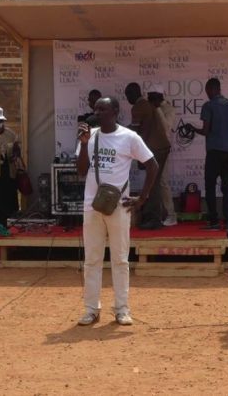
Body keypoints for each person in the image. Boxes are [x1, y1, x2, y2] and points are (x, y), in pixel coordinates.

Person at [75, 97, 158, 326]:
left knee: (120, 259)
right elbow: (81, 171)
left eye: (103, 109)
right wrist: (83, 144)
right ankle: (91, 309)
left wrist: (142, 198)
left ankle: (121, 309)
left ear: (115, 112)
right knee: (92, 259)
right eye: (95, 109)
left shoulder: (128, 137)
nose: (97, 112)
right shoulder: (89, 136)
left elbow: (152, 165)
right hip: (92, 206)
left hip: (119, 206)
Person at [188, 77, 228, 230]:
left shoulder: (209, 106)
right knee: (226, 186)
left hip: (214, 151)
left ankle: (213, 221)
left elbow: (206, 131)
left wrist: (193, 129)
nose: (207, 94)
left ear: (212, 89)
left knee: (210, 185)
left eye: (207, 91)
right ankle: (227, 221)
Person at [125, 82, 170, 230]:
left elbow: (134, 131)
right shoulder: (147, 104)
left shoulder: (138, 107)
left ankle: (154, 219)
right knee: (154, 182)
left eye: (127, 95)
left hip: (155, 148)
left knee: (153, 183)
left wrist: (117, 131)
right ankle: (161, 213)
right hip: (160, 147)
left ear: (133, 94)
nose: (127, 99)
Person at [148, 83, 178, 226]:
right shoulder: (150, 107)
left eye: (151, 97)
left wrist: (157, 109)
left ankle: (171, 215)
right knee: (153, 182)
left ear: (159, 97)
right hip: (151, 149)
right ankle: (157, 214)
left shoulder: (168, 109)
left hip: (163, 150)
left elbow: (166, 127)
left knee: (162, 181)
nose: (149, 100)